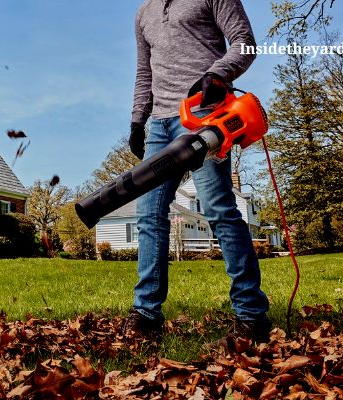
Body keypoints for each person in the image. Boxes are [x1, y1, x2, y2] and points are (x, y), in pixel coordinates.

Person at [125, 0, 271, 344]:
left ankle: (251, 316)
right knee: (149, 216)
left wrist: (218, 73)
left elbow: (245, 42)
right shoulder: (144, 13)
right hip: (159, 126)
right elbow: (144, 72)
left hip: (205, 117)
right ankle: (146, 314)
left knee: (219, 209)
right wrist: (137, 119)